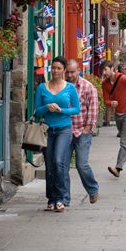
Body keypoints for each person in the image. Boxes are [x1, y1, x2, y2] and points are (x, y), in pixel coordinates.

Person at [33, 56, 80, 213]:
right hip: (47, 130)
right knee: (49, 165)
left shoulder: (70, 88)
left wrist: (61, 110)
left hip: (63, 129)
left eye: (59, 68)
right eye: (53, 68)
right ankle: (51, 199)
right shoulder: (42, 88)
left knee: (59, 162)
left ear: (64, 70)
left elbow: (76, 109)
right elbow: (37, 111)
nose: (55, 71)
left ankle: (60, 198)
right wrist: (47, 107)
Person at [66, 59, 100, 204]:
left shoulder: (87, 87)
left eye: (72, 72)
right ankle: (64, 197)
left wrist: (87, 128)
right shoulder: (63, 87)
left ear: (78, 70)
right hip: (65, 131)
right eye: (67, 72)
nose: (69, 75)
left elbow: (93, 109)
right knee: (62, 165)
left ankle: (93, 190)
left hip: (81, 131)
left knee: (82, 164)